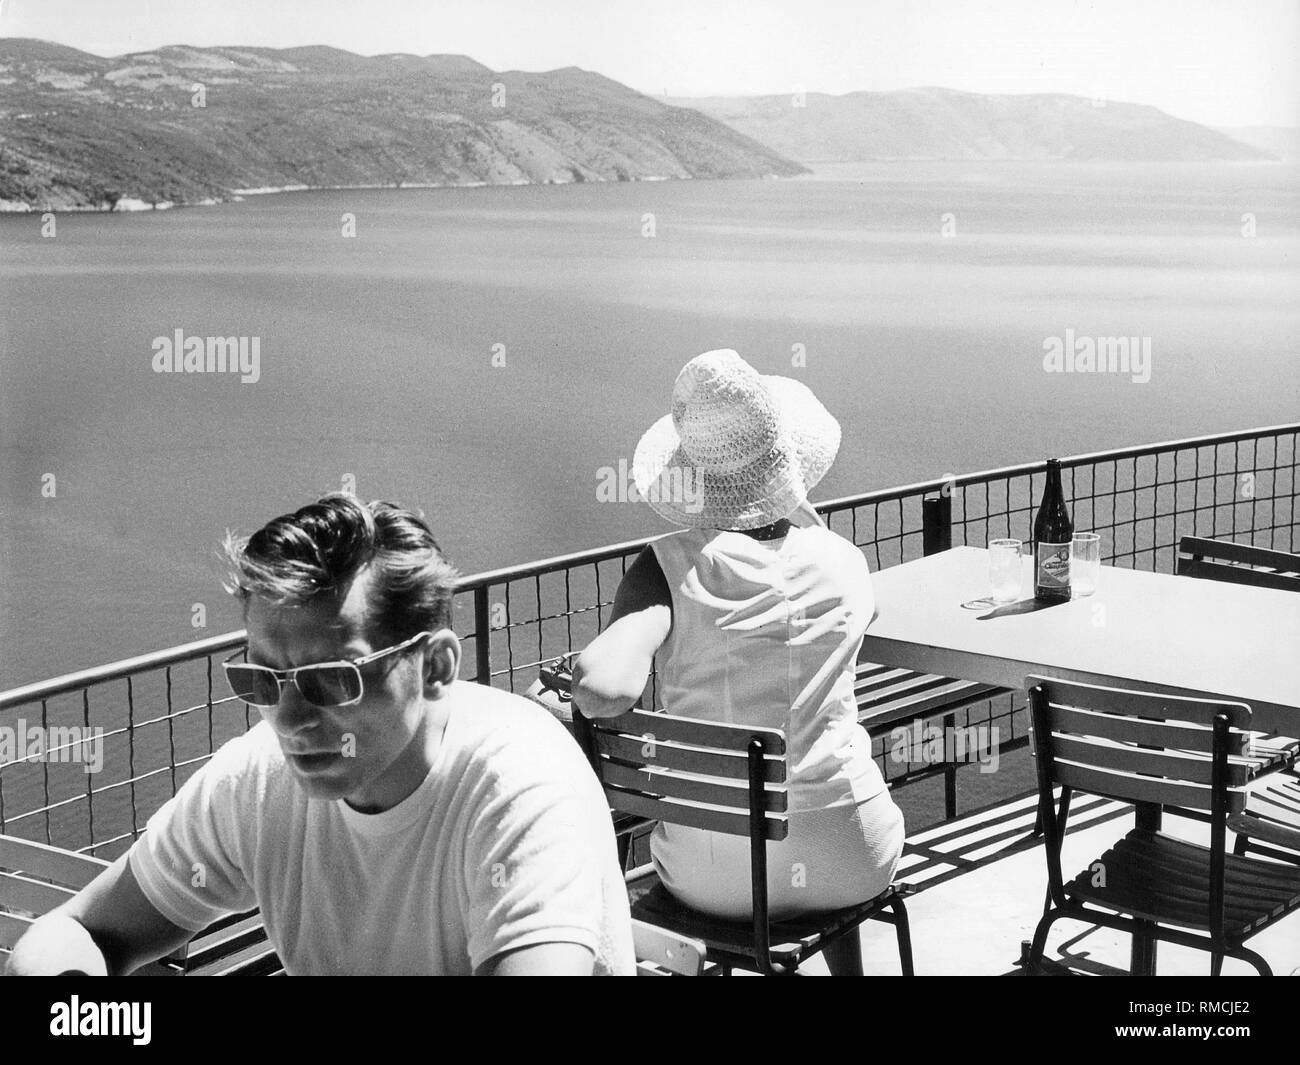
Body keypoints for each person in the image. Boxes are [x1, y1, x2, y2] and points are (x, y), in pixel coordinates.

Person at [7, 494, 635, 976]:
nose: (289, 718)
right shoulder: (257, 781)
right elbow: (84, 931)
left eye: (333, 680)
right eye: (262, 679)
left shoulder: (519, 788)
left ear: (437, 667)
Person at [571, 349, 904, 975]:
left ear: (691, 473)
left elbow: (603, 688)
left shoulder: (667, 566)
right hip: (854, 851)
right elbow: (851, 616)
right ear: (789, 464)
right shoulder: (844, 560)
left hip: (720, 878)